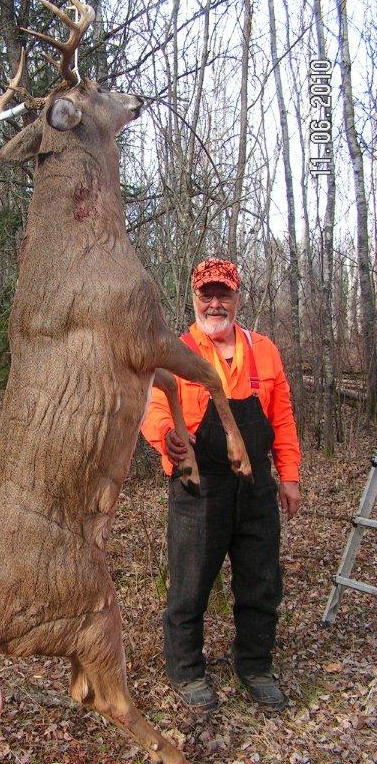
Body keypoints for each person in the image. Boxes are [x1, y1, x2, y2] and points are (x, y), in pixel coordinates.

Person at [141, 257, 301, 713]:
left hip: (254, 488)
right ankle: (187, 670)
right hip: (199, 486)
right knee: (189, 584)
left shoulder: (264, 350)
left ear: (237, 297)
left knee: (261, 580)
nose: (215, 303)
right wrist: (165, 437)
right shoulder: (174, 349)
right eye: (206, 294)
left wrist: (288, 476)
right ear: (193, 297)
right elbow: (152, 405)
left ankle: (255, 666)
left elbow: (283, 418)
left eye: (223, 294)